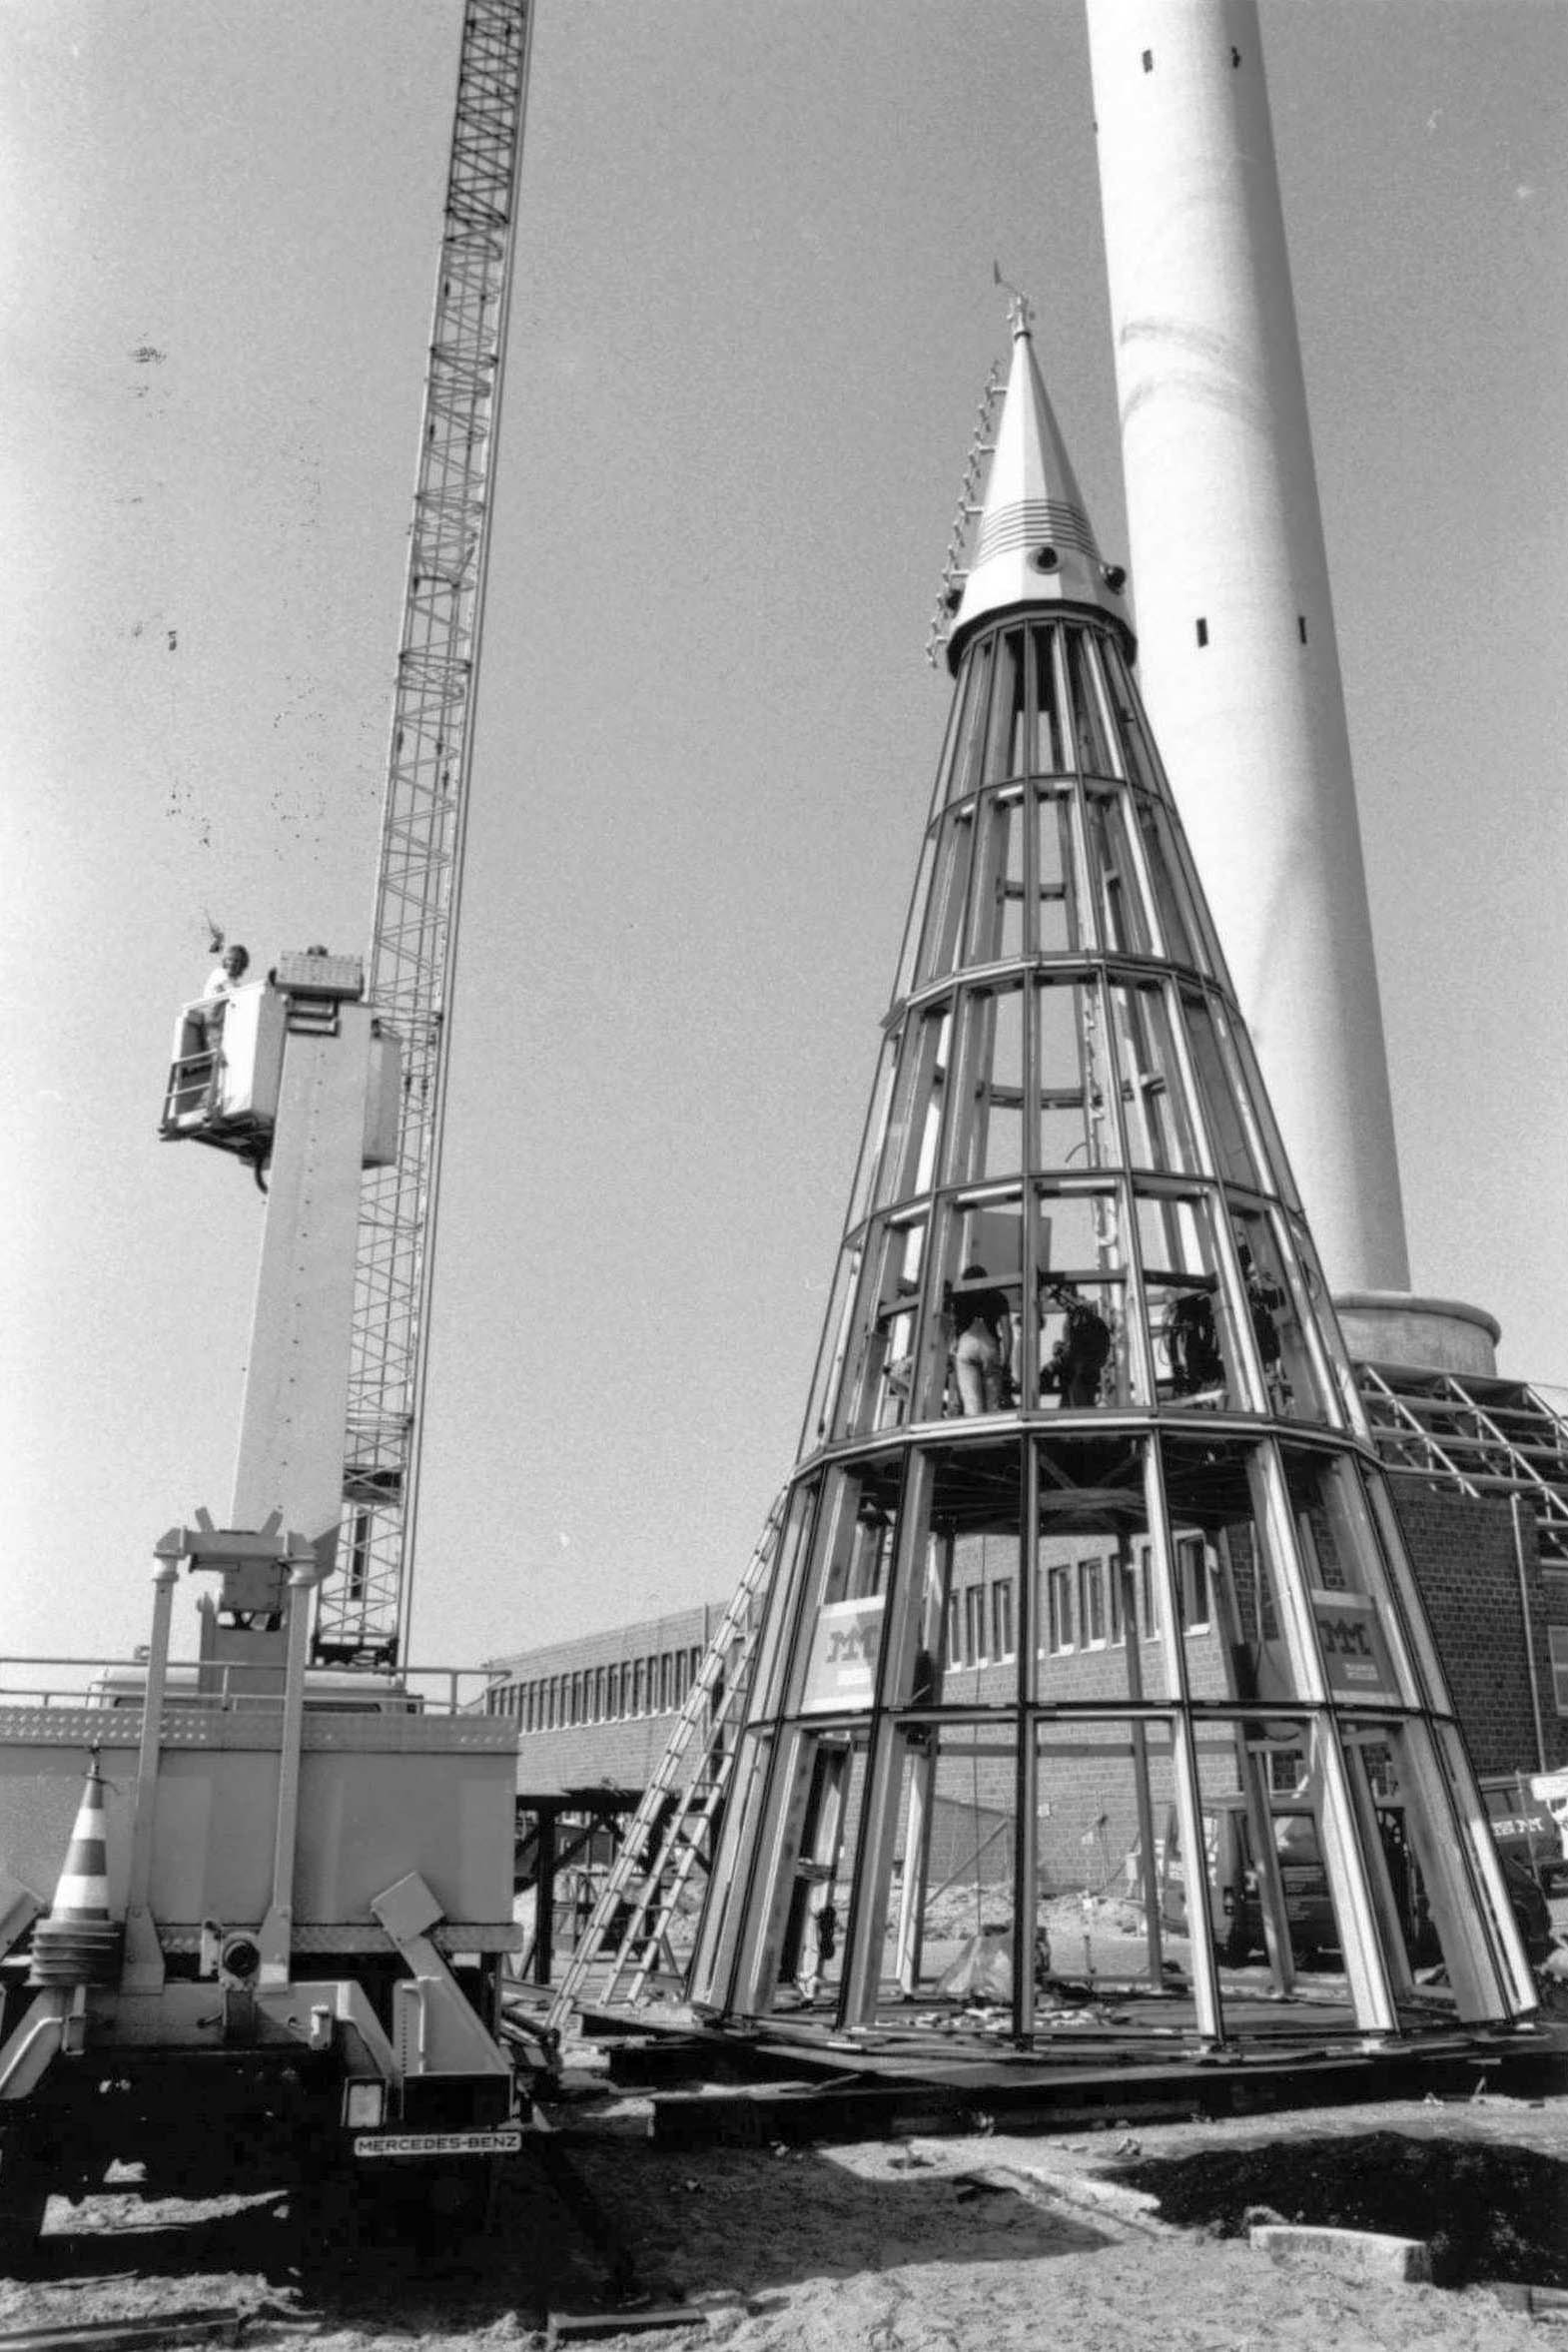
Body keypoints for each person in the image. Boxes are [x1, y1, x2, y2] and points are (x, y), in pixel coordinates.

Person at [950, 1263, 1014, 1415]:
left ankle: (975, 1434)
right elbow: (1006, 1329)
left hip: (966, 1343)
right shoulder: (998, 1296)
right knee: (993, 1404)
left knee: (972, 1404)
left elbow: (952, 1325)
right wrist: (1006, 1360)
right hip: (990, 1346)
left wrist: (953, 1347)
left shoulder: (958, 1296)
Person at [1043, 1281, 1112, 1407]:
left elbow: (1078, 1347)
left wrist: (1054, 1364)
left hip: (1081, 1374)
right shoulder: (1074, 1314)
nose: (1058, 1302)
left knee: (1077, 1409)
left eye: (1058, 1297)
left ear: (1068, 1291)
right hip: (1078, 1372)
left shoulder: (1083, 1312)